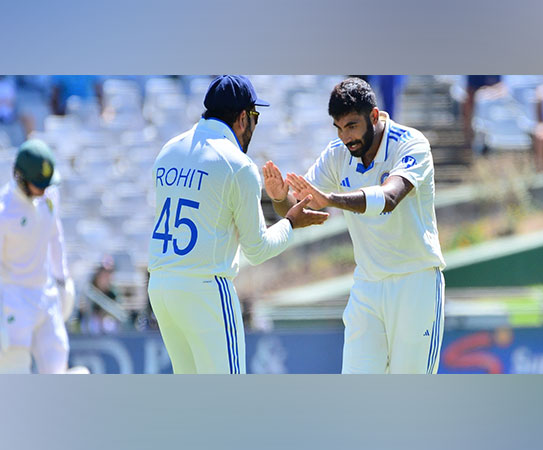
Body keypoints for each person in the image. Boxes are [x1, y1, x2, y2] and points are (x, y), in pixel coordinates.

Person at [147, 75, 328, 374]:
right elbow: (257, 250)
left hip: (162, 287)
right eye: (255, 116)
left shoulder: (168, 150)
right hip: (206, 290)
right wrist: (290, 223)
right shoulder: (238, 164)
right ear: (243, 117)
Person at [263, 77, 445, 374]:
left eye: (352, 126)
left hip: (416, 282)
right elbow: (299, 209)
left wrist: (332, 199)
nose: (346, 137)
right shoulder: (337, 154)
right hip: (368, 287)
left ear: (374, 116)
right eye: (339, 128)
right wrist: (280, 199)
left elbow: (390, 197)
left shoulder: (412, 143)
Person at [0, 139, 77, 373]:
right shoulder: (5, 211)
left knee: (57, 367)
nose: (43, 190)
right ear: (21, 178)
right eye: (38, 184)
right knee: (15, 374)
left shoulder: (50, 194)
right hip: (13, 299)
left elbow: (55, 237)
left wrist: (62, 280)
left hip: (46, 294)